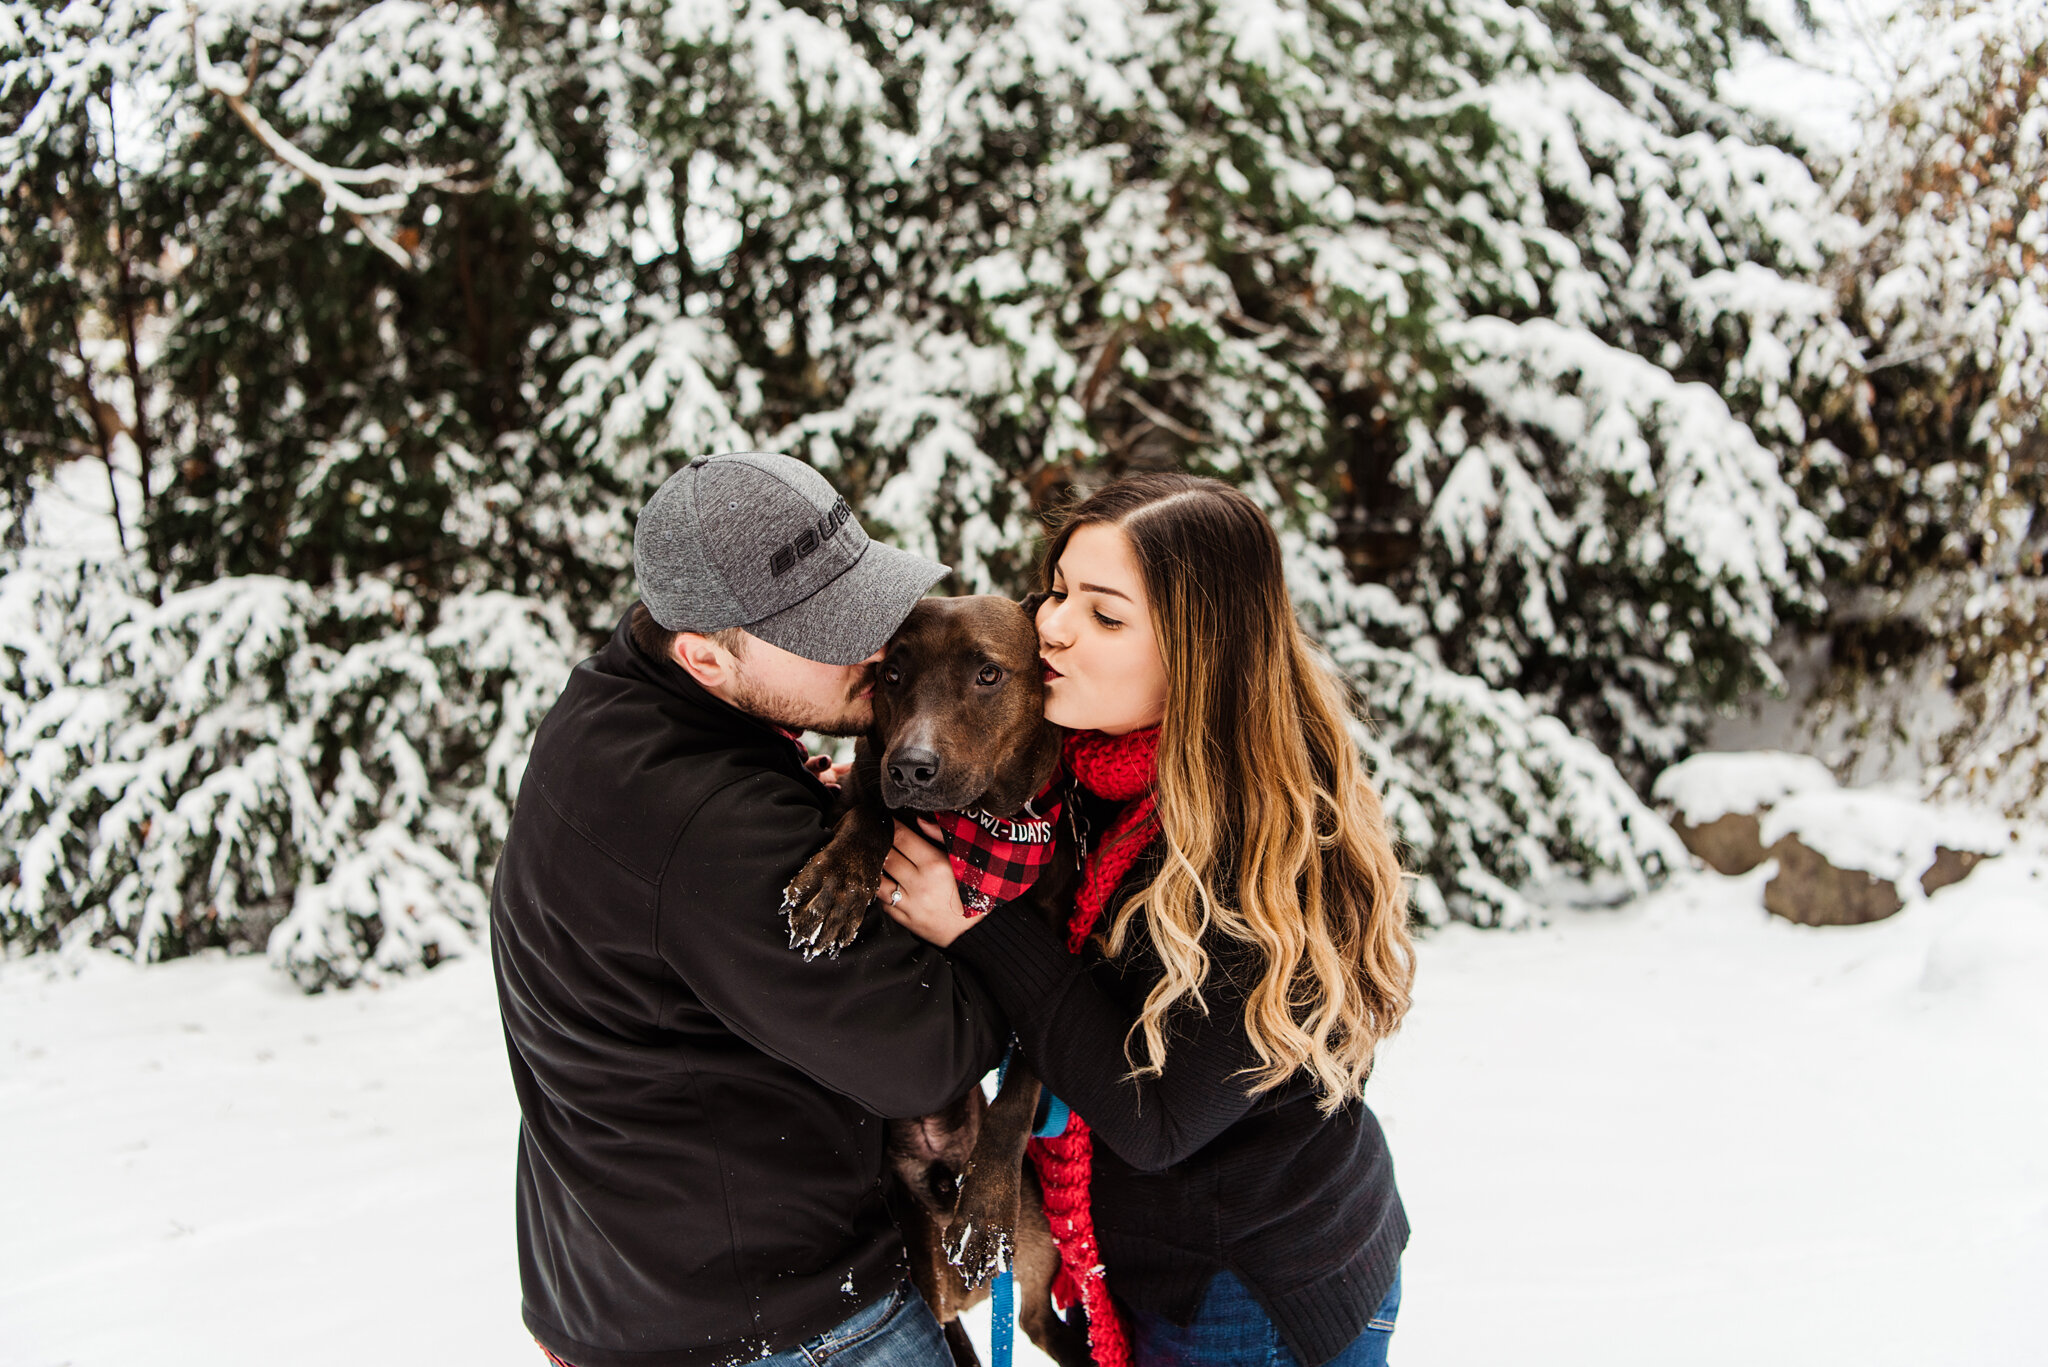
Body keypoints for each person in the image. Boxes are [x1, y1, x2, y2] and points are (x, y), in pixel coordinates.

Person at [879, 473, 1415, 1367]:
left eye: (1105, 615)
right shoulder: (1090, 778)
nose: (1049, 625)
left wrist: (975, 921)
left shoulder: (1269, 845)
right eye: (1057, 591)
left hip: (1248, 1294)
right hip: (1147, 1269)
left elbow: (1157, 1118)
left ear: (1197, 653)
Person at [491, 452, 1007, 1367]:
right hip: (777, 1326)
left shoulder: (607, 710)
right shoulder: (712, 825)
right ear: (704, 655)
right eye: (827, 630)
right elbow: (931, 1051)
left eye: (865, 600)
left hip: (627, 1288)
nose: (876, 644)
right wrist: (982, 921)